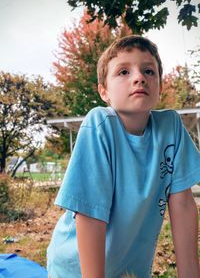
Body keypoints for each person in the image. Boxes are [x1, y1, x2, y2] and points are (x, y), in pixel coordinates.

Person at [47, 35, 200, 278]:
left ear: (159, 86)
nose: (139, 77)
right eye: (124, 72)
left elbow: (182, 205)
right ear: (104, 91)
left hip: (129, 269)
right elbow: (90, 215)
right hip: (78, 269)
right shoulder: (99, 125)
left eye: (149, 71)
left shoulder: (171, 127)